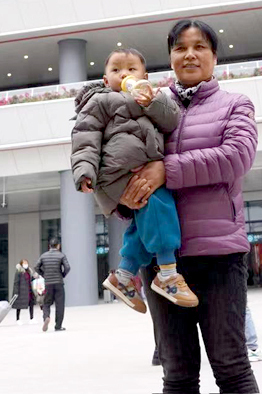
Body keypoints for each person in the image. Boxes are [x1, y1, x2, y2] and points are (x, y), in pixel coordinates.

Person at [121, 19, 259, 394]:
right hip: (162, 263)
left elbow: (236, 158)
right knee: (177, 375)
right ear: (170, 56)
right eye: (180, 47)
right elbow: (125, 161)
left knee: (231, 367)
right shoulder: (148, 107)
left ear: (214, 56)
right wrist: (125, 198)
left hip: (218, 256)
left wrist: (166, 170)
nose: (190, 54)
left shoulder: (235, 105)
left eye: (199, 46)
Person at [71, 48, 196, 311]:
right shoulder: (101, 102)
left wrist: (151, 100)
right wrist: (84, 170)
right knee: (160, 204)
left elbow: (172, 120)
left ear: (145, 76)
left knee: (146, 220)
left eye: (131, 69)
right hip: (117, 173)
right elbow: (85, 138)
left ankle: (124, 275)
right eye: (116, 70)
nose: (124, 74)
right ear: (106, 81)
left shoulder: (153, 98)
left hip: (140, 169)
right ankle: (168, 274)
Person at [35, 240, 70, 332]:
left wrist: (43, 274)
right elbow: (67, 267)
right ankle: (58, 326)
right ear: (58, 246)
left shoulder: (43, 256)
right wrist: (62, 275)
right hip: (59, 283)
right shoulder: (61, 255)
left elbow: (36, 267)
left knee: (46, 303)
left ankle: (46, 317)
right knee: (60, 305)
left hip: (48, 283)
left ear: (49, 246)